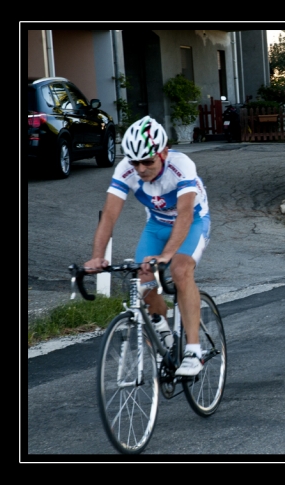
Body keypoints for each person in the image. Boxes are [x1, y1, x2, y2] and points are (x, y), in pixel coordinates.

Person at [83, 116, 211, 375]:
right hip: (156, 225)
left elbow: (185, 215)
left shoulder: (181, 165)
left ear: (163, 153)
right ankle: (163, 332)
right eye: (134, 162)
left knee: (180, 269)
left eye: (147, 161)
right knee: (144, 280)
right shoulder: (125, 170)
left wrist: (167, 255)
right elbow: (109, 215)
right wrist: (96, 257)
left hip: (193, 221)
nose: (140, 169)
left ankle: (194, 351)